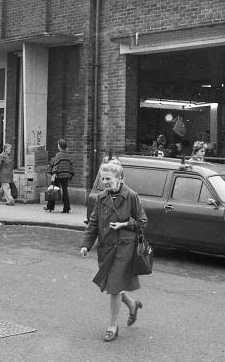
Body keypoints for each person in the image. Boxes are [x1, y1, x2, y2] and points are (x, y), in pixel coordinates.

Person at [79, 159, 148, 342]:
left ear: (119, 178)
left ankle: (112, 326)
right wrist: (86, 244)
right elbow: (93, 222)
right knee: (113, 285)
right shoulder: (101, 198)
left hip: (125, 247)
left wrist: (124, 224)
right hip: (106, 247)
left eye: (108, 178)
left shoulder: (131, 196)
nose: (105, 182)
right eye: (103, 179)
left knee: (114, 287)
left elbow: (142, 221)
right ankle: (132, 304)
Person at [46, 138, 74, 213]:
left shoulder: (58, 155)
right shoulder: (68, 155)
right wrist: (70, 175)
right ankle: (66, 208)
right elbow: (71, 166)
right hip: (66, 176)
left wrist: (53, 173)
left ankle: (50, 207)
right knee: (65, 192)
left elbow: (56, 165)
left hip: (58, 175)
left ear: (59, 146)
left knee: (53, 189)